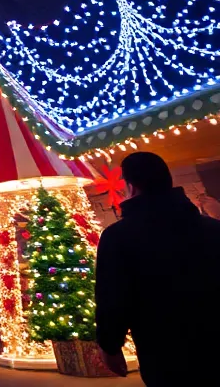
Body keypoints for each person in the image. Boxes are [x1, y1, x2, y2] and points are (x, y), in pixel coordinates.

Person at [96, 151, 220, 384]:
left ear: (130, 187)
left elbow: (113, 296)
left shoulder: (118, 237)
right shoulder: (213, 229)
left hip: (164, 353)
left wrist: (109, 345)